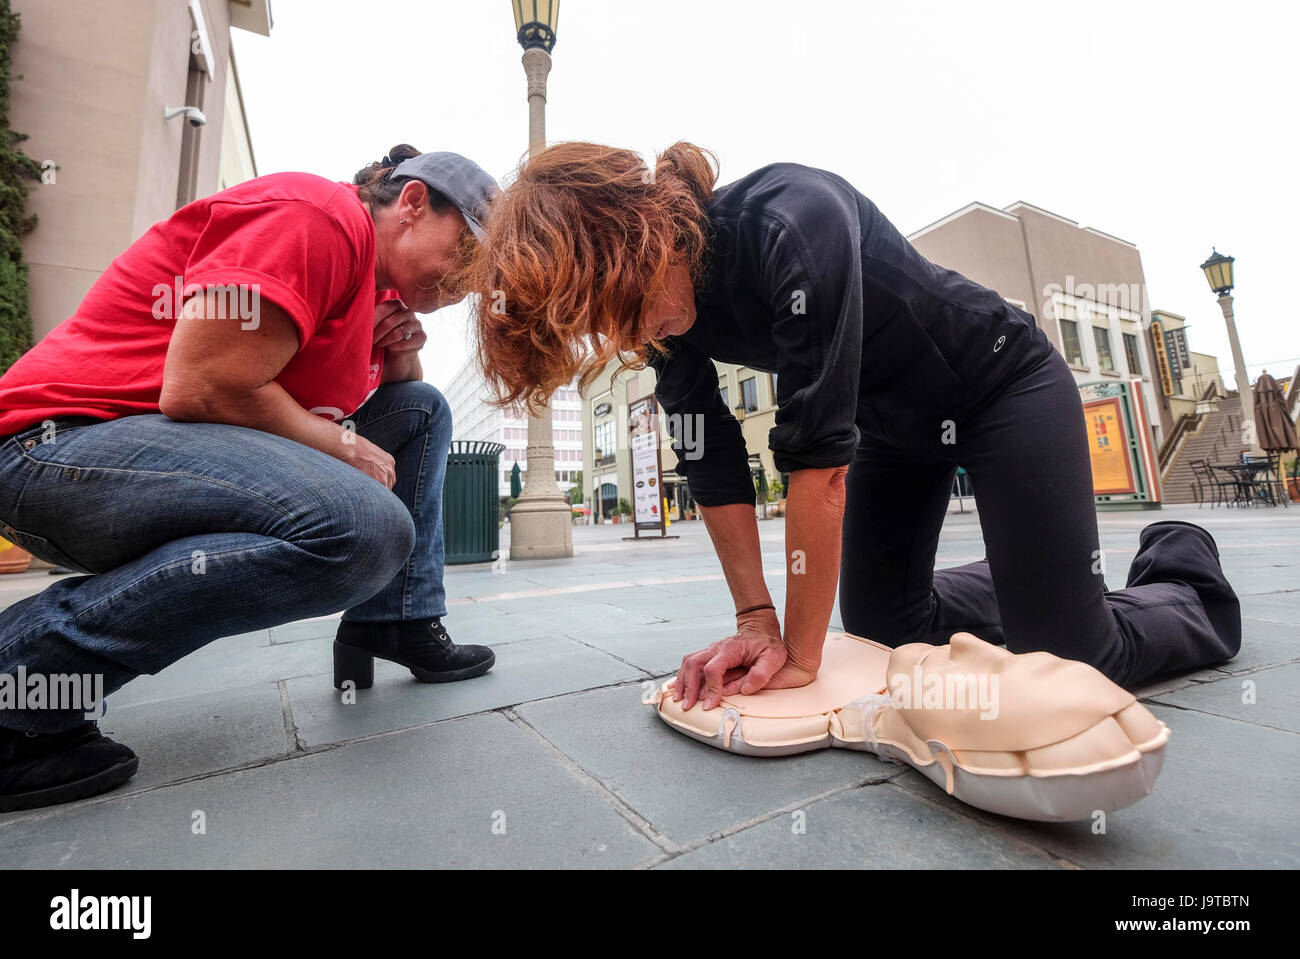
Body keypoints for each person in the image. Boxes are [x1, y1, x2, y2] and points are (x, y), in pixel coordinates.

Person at [470, 140, 1241, 714]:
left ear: (643, 231)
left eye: (628, 303)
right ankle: (1037, 573)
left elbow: (817, 462)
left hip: (1000, 384)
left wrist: (799, 656)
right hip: (897, 432)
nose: (634, 330)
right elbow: (711, 464)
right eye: (612, 324)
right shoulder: (663, 326)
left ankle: (1182, 566)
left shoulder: (791, 221)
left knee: (1073, 660)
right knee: (883, 624)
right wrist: (755, 620)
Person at [0, 145, 497, 812]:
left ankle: (395, 620)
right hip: (51, 446)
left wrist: (399, 351)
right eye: (466, 253)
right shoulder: (318, 219)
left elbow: (402, 417)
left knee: (424, 408)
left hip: (133, 457)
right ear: (411, 205)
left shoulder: (374, 296)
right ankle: (18, 684)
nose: (469, 282)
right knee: (362, 528)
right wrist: (343, 445)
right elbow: (202, 386)